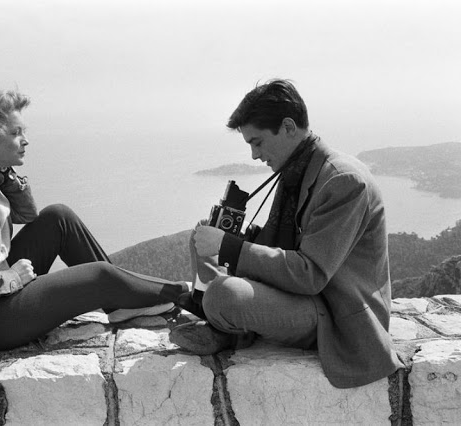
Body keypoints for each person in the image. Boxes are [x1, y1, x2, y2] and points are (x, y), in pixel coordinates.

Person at [0, 89, 188, 353]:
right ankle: (183, 295)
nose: (25, 140)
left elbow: (27, 215)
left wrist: (6, 176)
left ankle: (120, 304)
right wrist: (11, 278)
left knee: (58, 217)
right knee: (99, 276)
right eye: (15, 132)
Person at [170, 79, 403, 389]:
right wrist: (232, 237)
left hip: (334, 315)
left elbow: (310, 275)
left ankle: (226, 326)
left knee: (223, 295)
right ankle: (222, 320)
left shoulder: (343, 181)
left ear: (288, 127)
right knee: (200, 238)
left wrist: (230, 247)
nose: (255, 155)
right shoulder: (298, 170)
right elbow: (279, 244)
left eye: (258, 142)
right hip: (303, 298)